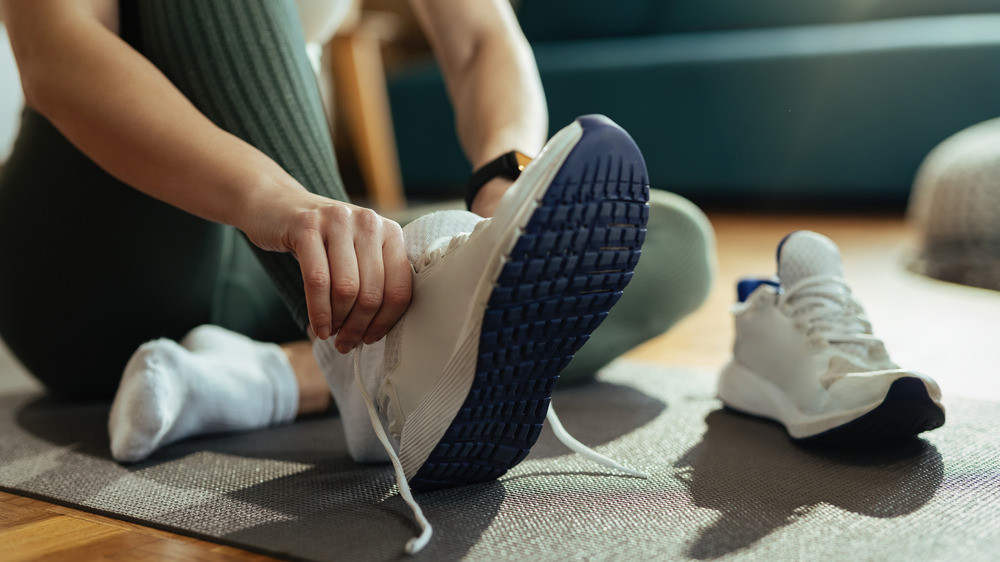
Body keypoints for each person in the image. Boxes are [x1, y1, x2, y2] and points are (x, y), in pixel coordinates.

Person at [0, 0, 714, 552]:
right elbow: (54, 50)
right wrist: (283, 204)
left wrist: (505, 195)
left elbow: (480, 38)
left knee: (675, 240)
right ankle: (364, 359)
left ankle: (278, 376)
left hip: (270, 258)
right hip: (91, 262)